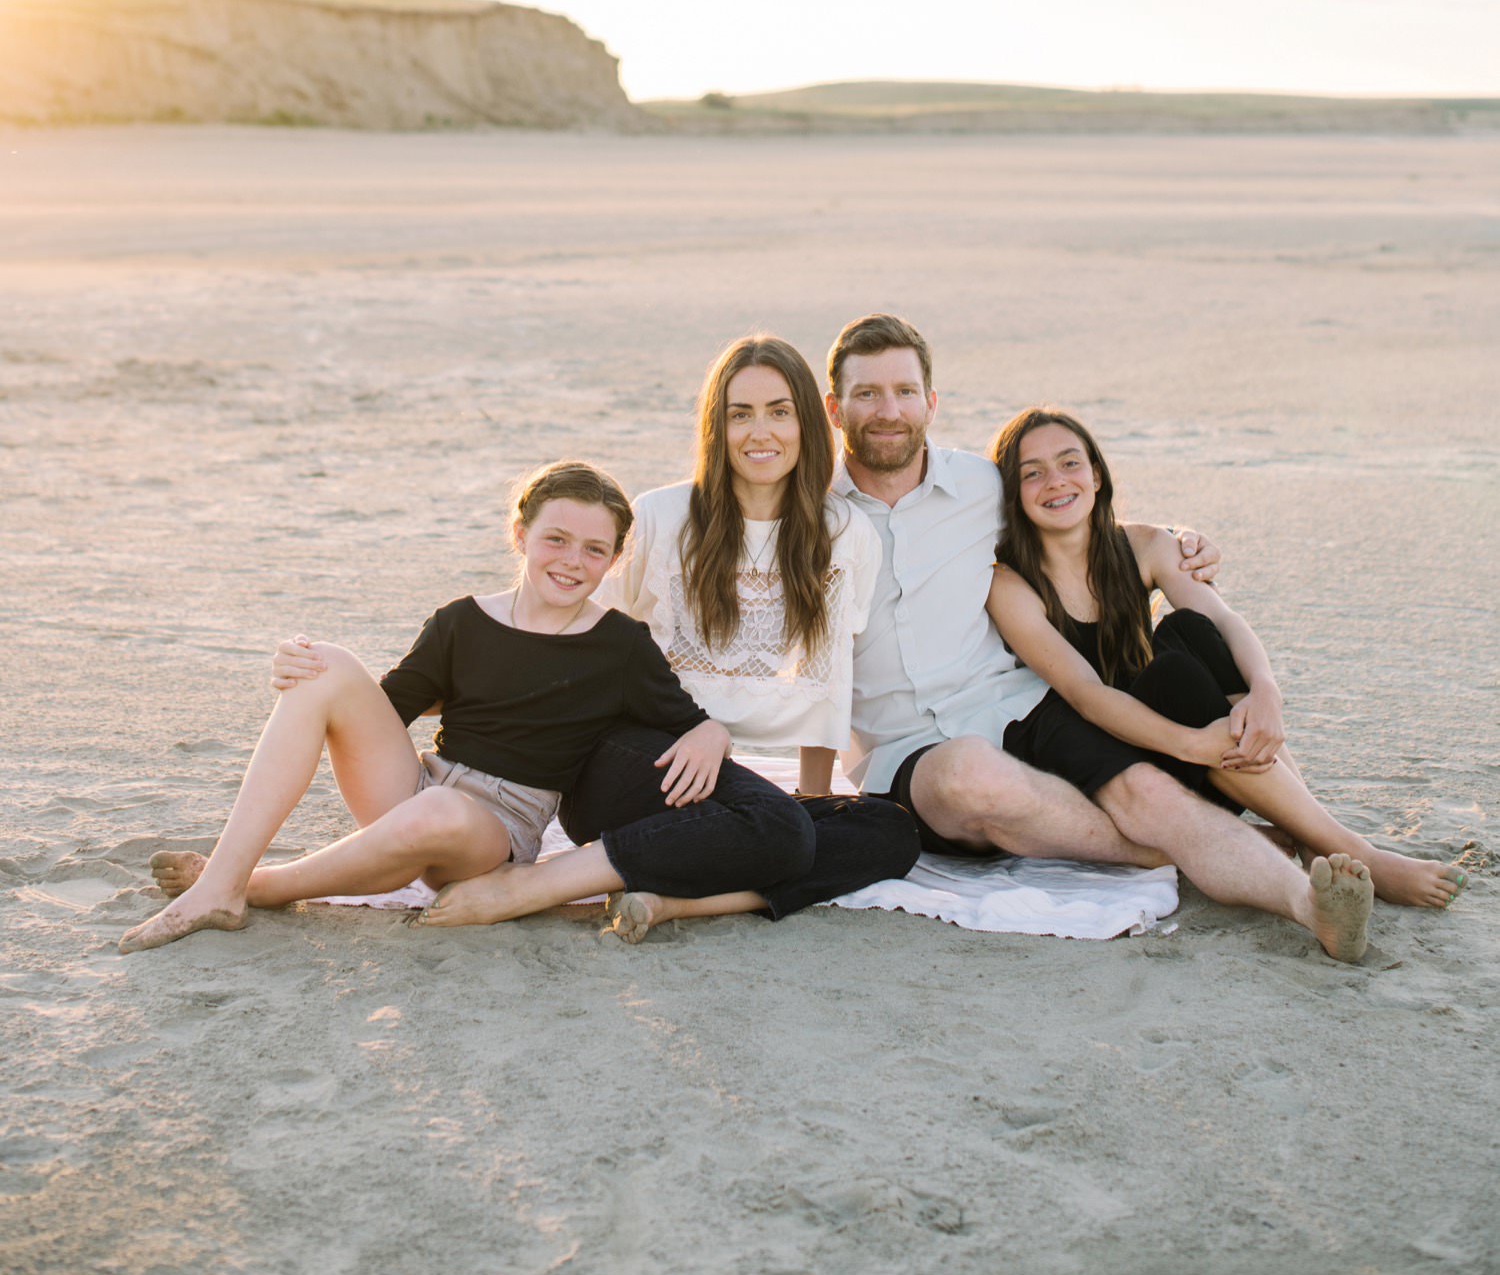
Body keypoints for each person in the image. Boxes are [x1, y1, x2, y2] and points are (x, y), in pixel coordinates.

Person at [824, 315, 1376, 961]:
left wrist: (1180, 540)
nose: (889, 410)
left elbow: (1066, 504)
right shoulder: (808, 517)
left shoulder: (979, 486)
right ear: (835, 408)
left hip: (1020, 707)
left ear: (931, 402)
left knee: (1148, 790)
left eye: (905, 391)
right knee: (969, 774)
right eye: (867, 393)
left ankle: (1310, 906)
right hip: (904, 754)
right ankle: (1188, 846)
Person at [120, 461, 814, 954]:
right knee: (327, 661)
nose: (572, 560)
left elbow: (682, 716)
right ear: (520, 534)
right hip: (419, 785)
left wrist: (712, 731)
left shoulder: (619, 644)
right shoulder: (462, 620)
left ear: (614, 559)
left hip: (494, 831)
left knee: (444, 811)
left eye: (594, 549)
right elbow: (386, 708)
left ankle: (256, 886)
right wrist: (302, 673)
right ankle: (221, 881)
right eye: (556, 539)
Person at [419, 335, 921, 939]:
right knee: (779, 832)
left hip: (738, 793)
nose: (760, 432)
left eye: (779, 412)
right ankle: (532, 886)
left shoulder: (845, 533)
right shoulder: (662, 517)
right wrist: (700, 733)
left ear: (807, 423)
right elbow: (580, 640)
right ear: (717, 426)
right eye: (740, 414)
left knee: (889, 832)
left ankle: (670, 902)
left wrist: (812, 799)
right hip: (631, 761)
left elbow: (829, 680)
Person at [987, 405, 1464, 916]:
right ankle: (1351, 847)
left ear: (1097, 474)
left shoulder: (1146, 545)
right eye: (1031, 473)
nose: (1055, 482)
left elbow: (1226, 620)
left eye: (1069, 463)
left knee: (1188, 630)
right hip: (1117, 761)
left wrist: (1266, 691)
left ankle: (1312, 836)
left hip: (1219, 755)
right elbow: (1088, 694)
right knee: (1168, 671)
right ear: (1012, 493)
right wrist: (1192, 745)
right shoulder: (1010, 584)